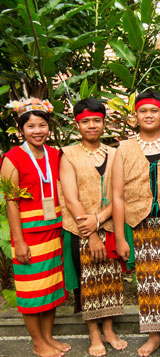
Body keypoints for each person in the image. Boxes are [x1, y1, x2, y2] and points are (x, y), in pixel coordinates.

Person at [111, 91, 160, 357]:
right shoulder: (123, 148)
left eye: (154, 111)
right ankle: (154, 335)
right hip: (140, 222)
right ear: (135, 116)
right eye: (143, 111)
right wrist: (120, 236)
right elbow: (117, 195)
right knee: (146, 280)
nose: (149, 115)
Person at [2, 98, 70, 357]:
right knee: (31, 290)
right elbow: (11, 201)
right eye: (31, 126)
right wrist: (18, 241)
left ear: (48, 127)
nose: (37, 131)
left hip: (54, 232)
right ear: (21, 130)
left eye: (42, 125)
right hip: (29, 236)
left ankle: (48, 337)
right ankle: (37, 342)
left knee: (51, 286)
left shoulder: (55, 154)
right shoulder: (12, 158)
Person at [58, 98, 127, 356]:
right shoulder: (68, 155)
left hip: (110, 225)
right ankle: (93, 334)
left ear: (103, 123)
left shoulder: (115, 153)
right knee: (87, 282)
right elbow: (70, 197)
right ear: (78, 125)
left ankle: (108, 330)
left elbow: (121, 193)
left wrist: (100, 221)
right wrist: (92, 232)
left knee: (110, 279)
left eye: (96, 120)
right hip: (79, 229)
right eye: (85, 121)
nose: (91, 126)